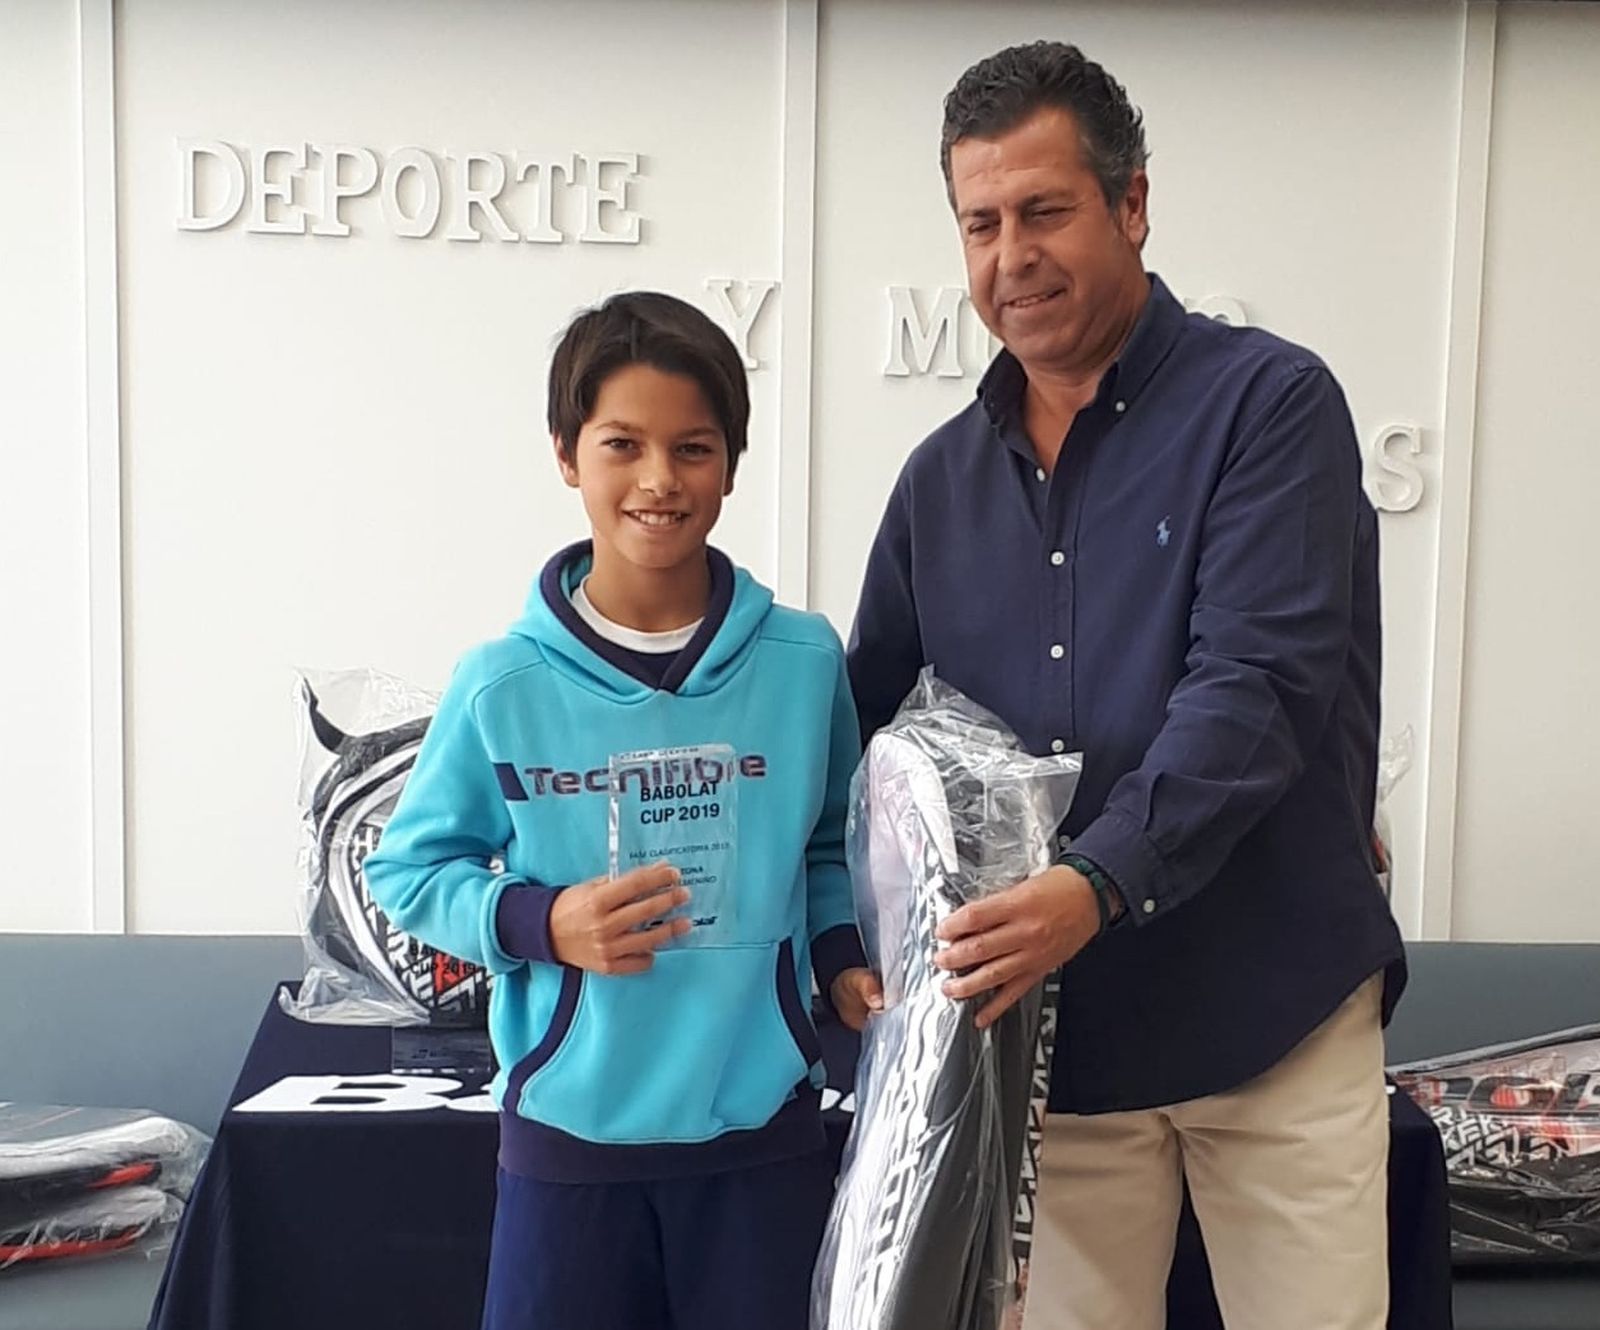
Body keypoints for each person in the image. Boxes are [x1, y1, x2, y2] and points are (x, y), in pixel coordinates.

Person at [847, 41, 1406, 1330]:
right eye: (979, 223)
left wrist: (1090, 885)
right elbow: (872, 734)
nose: (1010, 258)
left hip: (1271, 1015)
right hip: (1055, 1050)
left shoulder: (1267, 406)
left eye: (1044, 211)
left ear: (1132, 204)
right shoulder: (939, 482)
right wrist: (844, 936)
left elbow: (1257, 688)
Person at [366, 291, 881, 1330]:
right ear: (567, 454)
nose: (658, 479)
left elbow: (831, 841)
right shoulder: (501, 682)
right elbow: (409, 873)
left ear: (732, 463)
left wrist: (838, 960)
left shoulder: (801, 660)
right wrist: (541, 921)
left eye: (692, 447)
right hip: (571, 1150)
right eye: (622, 444)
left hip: (762, 1144)